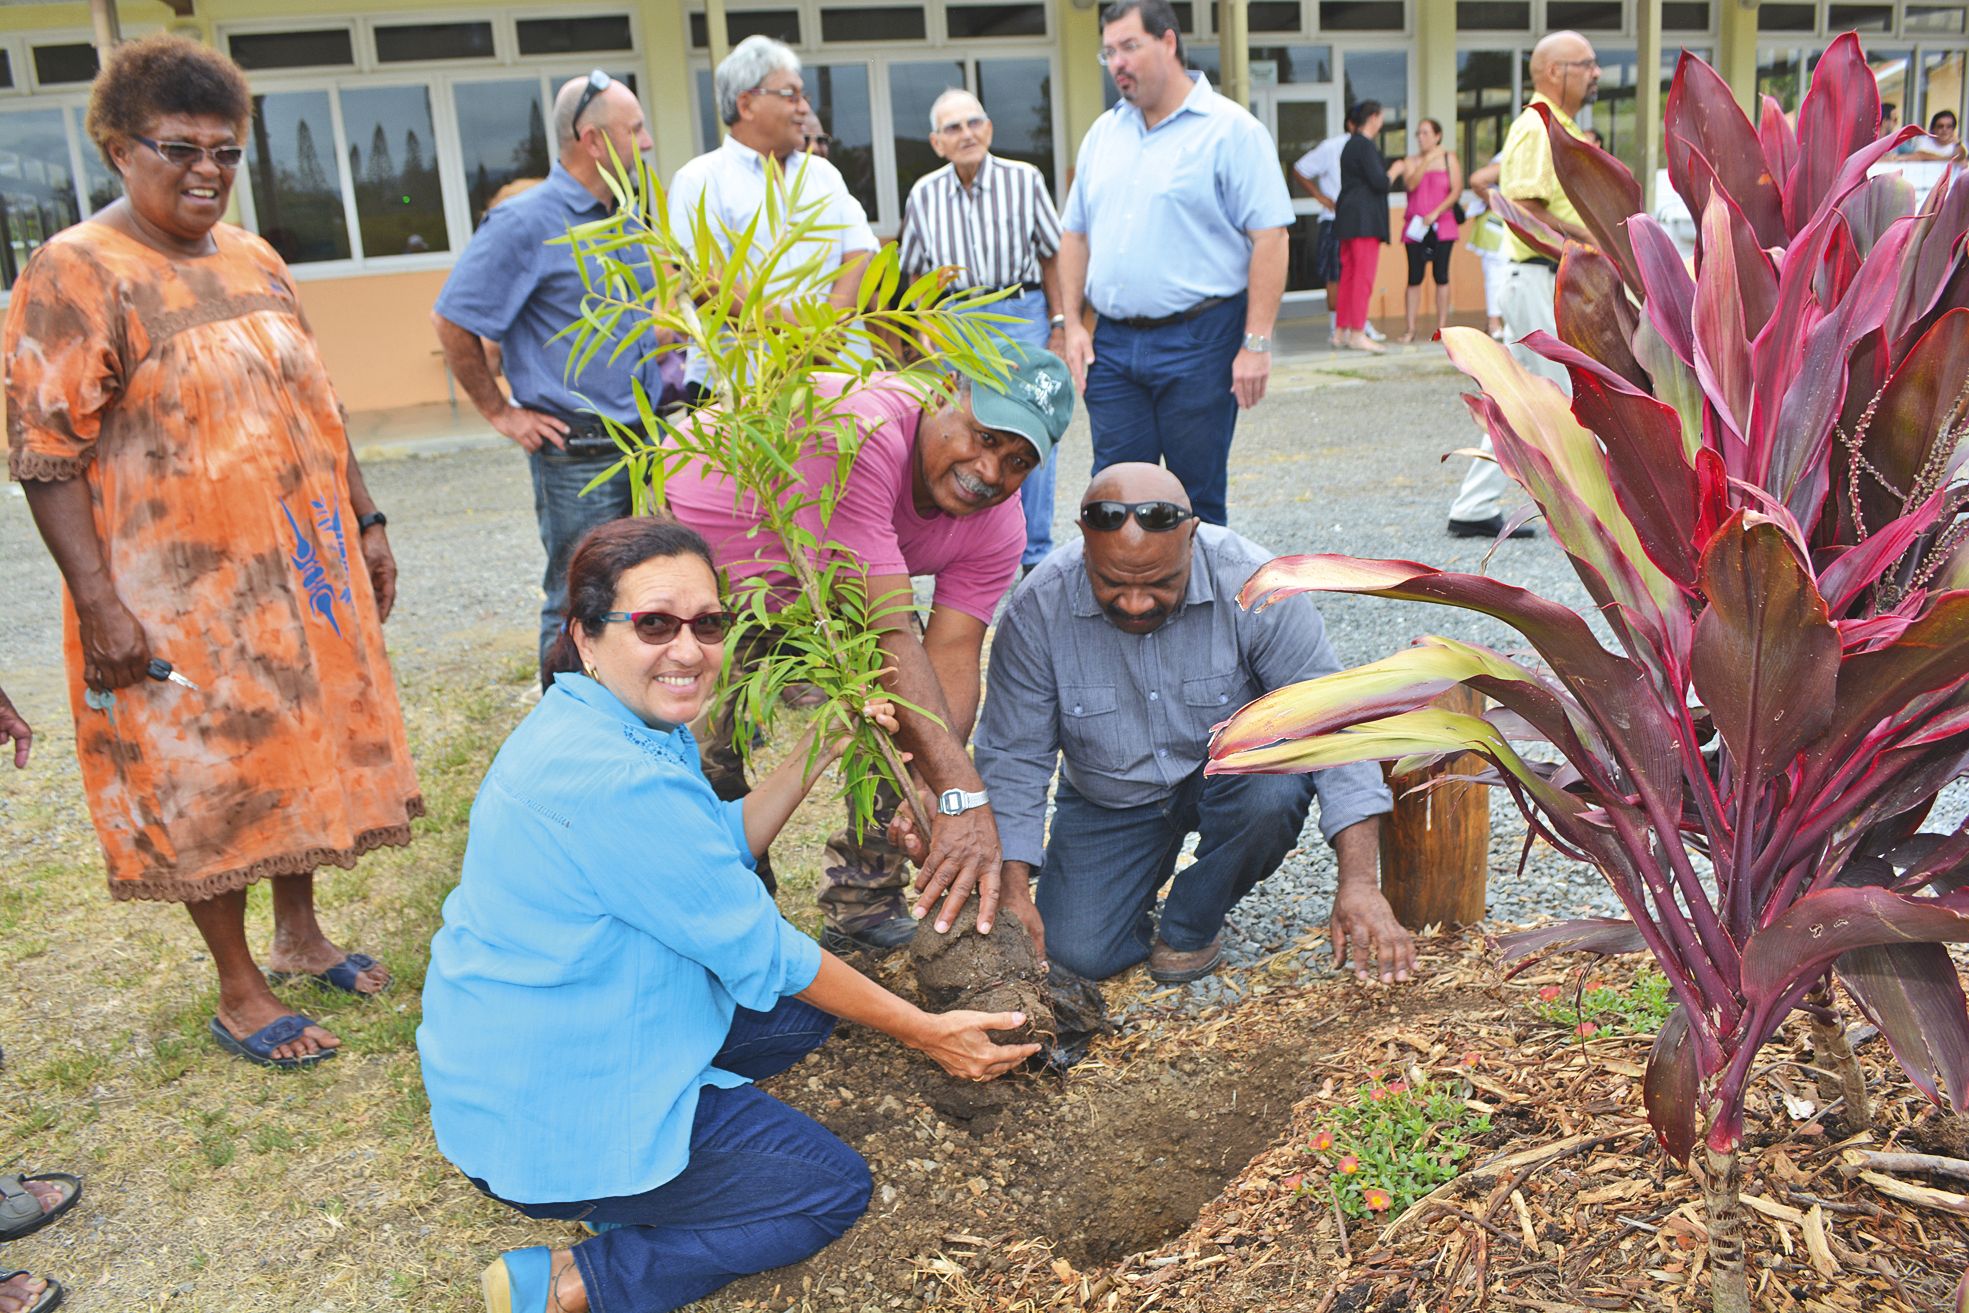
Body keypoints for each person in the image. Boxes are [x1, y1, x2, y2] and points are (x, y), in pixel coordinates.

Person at [418, 518, 1037, 1313]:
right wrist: (925, 1029)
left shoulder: (610, 721)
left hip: (538, 1038)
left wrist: (822, 740)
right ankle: (582, 1277)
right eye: (653, 623)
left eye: (707, 623)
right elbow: (763, 949)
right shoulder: (611, 777)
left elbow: (714, 842)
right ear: (585, 637)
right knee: (826, 1189)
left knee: (802, 1018)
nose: (688, 648)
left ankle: (674, 1153)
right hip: (550, 1105)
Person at [6, 35, 421, 1070]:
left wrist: (365, 523)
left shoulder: (253, 256)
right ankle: (239, 987)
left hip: (299, 571)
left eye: (226, 152)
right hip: (168, 592)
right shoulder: (74, 271)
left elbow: (317, 406)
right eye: (178, 147)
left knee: (298, 742)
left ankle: (300, 929)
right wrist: (101, 603)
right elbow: (44, 458)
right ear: (115, 147)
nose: (206, 171)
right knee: (211, 778)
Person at [664, 352, 1074, 953]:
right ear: (942, 394)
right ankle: (730, 903)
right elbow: (890, 632)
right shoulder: (861, 431)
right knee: (702, 748)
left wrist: (932, 780)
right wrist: (965, 795)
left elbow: (952, 657)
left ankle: (863, 900)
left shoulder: (1000, 526)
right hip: (717, 568)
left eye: (1018, 461)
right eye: (985, 437)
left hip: (838, 584)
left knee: (911, 727)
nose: (989, 470)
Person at [973, 464, 1417, 986]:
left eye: (1160, 584)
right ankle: (1126, 892)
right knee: (1076, 953)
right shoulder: (1038, 608)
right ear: (1085, 544)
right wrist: (1012, 893)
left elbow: (1334, 723)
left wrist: (1360, 882)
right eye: (1111, 582)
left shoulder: (1257, 584)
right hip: (1111, 797)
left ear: (1193, 538)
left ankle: (1191, 923)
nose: (1135, 602)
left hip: (1231, 777)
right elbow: (1013, 756)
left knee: (1272, 794)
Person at [433, 72, 659, 685]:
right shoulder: (525, 220)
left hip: (646, 441)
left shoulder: (626, 215)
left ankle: (623, 721)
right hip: (578, 453)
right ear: (592, 139)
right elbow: (453, 319)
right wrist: (501, 412)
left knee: (637, 594)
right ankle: (567, 738)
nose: (645, 143)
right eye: (634, 130)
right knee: (574, 599)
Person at [1056, 0, 1294, 527]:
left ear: (1169, 42)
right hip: (1114, 347)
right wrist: (1072, 325)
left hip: (1200, 340)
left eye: (1129, 46)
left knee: (1194, 497)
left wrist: (1256, 343)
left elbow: (1271, 238)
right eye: (1109, 51)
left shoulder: (1232, 131)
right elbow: (1073, 234)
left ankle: (1200, 608)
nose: (1117, 62)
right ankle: (1127, 607)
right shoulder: (1103, 135)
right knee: (1113, 495)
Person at [900, 88, 1068, 571]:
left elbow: (1051, 254)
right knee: (968, 434)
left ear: (989, 129)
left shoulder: (1025, 179)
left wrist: (1059, 323)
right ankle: (975, 550)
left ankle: (1035, 555)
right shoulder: (923, 194)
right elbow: (917, 274)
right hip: (959, 321)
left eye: (974, 123)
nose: (966, 133)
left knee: (1029, 433)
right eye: (953, 127)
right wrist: (925, 336)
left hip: (1021, 311)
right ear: (937, 142)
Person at [1445, 29, 1599, 540]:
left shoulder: (1553, 124)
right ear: (1556, 71)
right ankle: (1579, 508)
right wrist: (1589, 242)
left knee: (1532, 397)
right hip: (1537, 276)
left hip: (1541, 278)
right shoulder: (1538, 127)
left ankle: (1475, 506)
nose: (1597, 72)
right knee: (1543, 398)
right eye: (1587, 64)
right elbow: (1527, 211)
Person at [669, 36, 878, 406]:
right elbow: (707, 282)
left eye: (803, 95)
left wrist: (829, 328)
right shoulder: (699, 180)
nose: (803, 108)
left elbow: (859, 253)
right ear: (746, 104)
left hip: (836, 381)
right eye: (791, 95)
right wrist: (801, 332)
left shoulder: (824, 174)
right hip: (743, 389)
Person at [1331, 101, 1405, 354]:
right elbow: (1380, 182)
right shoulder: (1365, 145)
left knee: (1349, 277)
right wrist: (1395, 170)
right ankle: (1358, 333)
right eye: (1380, 116)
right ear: (1373, 118)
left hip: (1348, 218)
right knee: (1362, 278)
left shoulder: (1350, 144)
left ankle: (1341, 331)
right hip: (1364, 221)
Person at [1395, 117, 1463, 345]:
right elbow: (1411, 184)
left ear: (1437, 136)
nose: (1421, 138)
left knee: (1441, 275)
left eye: (1425, 133)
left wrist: (1437, 211)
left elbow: (1456, 191)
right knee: (1414, 277)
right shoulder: (1411, 161)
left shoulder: (1449, 158)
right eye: (1418, 134)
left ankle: (1443, 328)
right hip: (1416, 227)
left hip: (1442, 225)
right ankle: (1410, 328)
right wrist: (1427, 160)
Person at [1291, 115, 1349, 347]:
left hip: (1353, 221)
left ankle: (1357, 324)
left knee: (1353, 275)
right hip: (1333, 221)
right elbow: (1300, 169)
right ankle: (1336, 327)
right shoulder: (1332, 148)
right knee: (1334, 275)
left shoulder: (1364, 149)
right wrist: (1319, 196)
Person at [1463, 155, 1510, 340]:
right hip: (1495, 228)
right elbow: (1478, 181)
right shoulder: (1506, 158)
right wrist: (1500, 204)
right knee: (1495, 276)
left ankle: (1498, 322)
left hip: (1509, 228)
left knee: (1505, 277)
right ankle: (1494, 323)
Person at [1900, 108, 1967, 161]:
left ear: (1953, 129)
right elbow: (1920, 155)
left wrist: (1958, 144)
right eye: (1940, 126)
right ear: (1933, 129)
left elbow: (1961, 157)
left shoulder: (1958, 144)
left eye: (1949, 126)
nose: (1944, 129)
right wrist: (1949, 159)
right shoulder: (1923, 140)